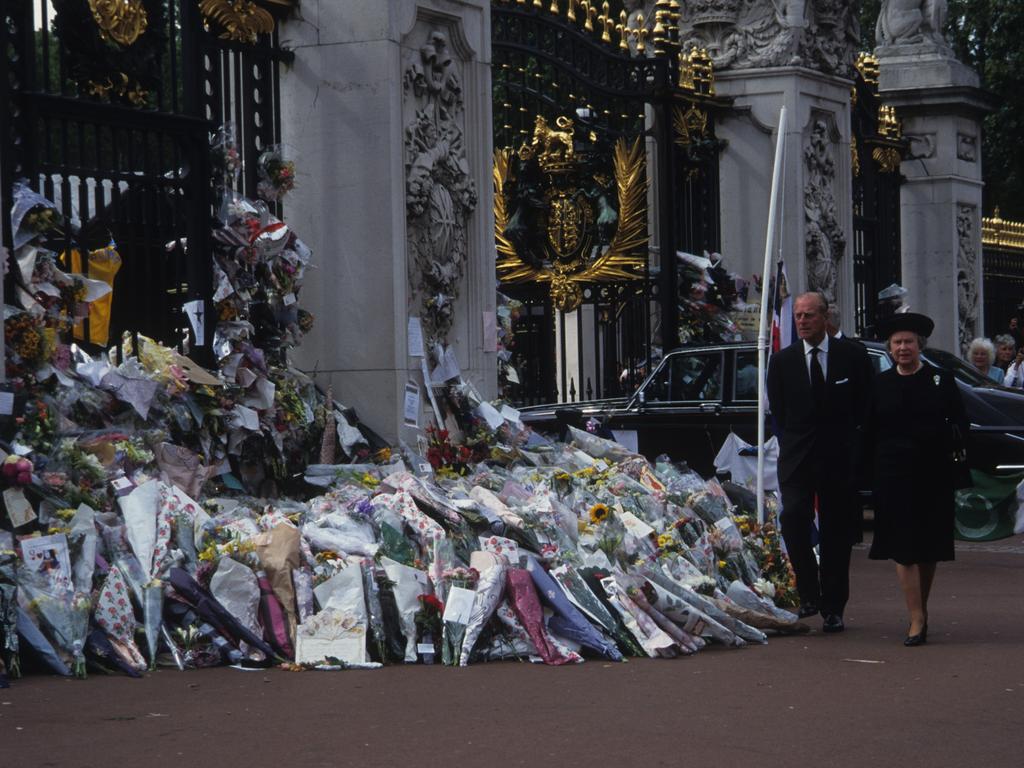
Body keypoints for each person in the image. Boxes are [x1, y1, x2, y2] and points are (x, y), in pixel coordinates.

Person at [767, 292, 873, 632]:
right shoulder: (783, 362)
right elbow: (780, 412)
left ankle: (833, 606)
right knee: (794, 516)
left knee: (836, 534)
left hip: (838, 458)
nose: (801, 322)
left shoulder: (852, 356)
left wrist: (854, 448)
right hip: (798, 458)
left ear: (824, 318)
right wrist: (793, 443)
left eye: (809, 316)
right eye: (798, 316)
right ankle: (809, 593)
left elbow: (864, 406)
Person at [865, 312, 967, 646]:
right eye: (897, 343)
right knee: (903, 550)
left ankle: (919, 608)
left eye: (909, 342)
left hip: (933, 474)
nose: (903, 348)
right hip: (893, 475)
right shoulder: (879, 384)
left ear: (919, 345)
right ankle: (916, 618)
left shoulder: (942, 380)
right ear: (890, 348)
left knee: (928, 549)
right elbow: (869, 430)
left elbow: (960, 424)